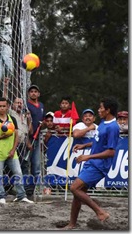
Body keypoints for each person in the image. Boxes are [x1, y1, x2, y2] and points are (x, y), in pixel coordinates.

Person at [61, 97, 119, 230]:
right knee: (78, 192)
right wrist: (85, 145)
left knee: (74, 188)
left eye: (101, 108)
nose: (99, 110)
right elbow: (99, 142)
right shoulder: (104, 122)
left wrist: (88, 157)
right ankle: (72, 224)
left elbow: (111, 152)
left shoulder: (113, 127)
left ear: (108, 110)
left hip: (99, 165)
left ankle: (100, 212)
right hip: (93, 162)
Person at [0, 97, 33, 204]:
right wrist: (1, 136)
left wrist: (13, 150)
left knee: (18, 173)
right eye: (0, 106)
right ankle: (1, 196)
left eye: (4, 106)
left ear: (8, 107)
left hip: (12, 152)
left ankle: (21, 195)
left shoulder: (12, 119)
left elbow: (16, 135)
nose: (2, 108)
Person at [26, 84, 45, 200]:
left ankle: (31, 191)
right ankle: (22, 189)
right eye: (31, 91)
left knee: (36, 166)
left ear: (38, 94)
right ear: (28, 94)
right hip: (27, 139)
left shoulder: (41, 106)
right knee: (25, 164)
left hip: (37, 139)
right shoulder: (26, 105)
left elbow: (42, 121)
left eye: (35, 91)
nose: (33, 93)